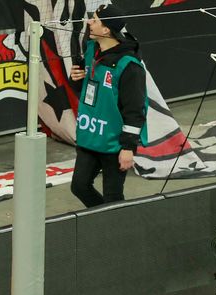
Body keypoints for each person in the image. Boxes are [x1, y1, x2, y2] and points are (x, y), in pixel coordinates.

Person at [69, 5, 147, 208]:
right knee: (79, 186)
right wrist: (76, 80)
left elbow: (135, 110)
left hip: (114, 144)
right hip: (90, 137)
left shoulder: (129, 66)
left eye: (94, 20)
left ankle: (113, 228)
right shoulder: (91, 50)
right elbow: (86, 88)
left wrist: (128, 147)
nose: (89, 22)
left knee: (113, 196)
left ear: (106, 30)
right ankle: (104, 220)